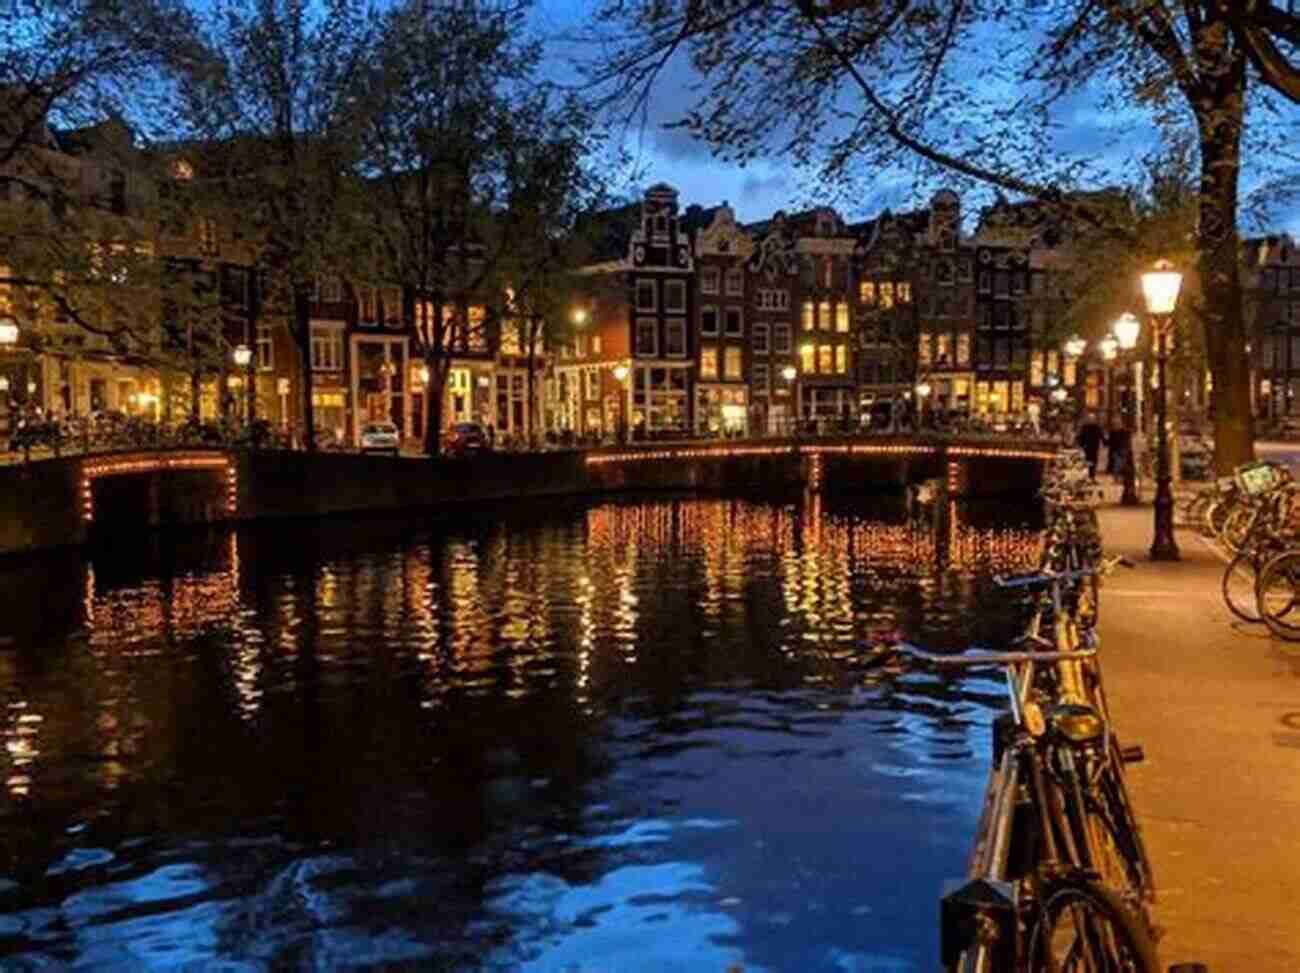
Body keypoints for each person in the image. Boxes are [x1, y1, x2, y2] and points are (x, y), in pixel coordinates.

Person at [1076, 413, 1105, 480]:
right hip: (1087, 447)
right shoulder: (1085, 427)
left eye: (1092, 419)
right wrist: (1080, 444)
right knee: (1088, 461)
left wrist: (1105, 442)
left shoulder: (1097, 427)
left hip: (1094, 447)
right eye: (1090, 419)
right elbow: (1080, 436)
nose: (1091, 420)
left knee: (1093, 461)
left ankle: (1092, 476)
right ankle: (1089, 475)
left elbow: (1101, 435)